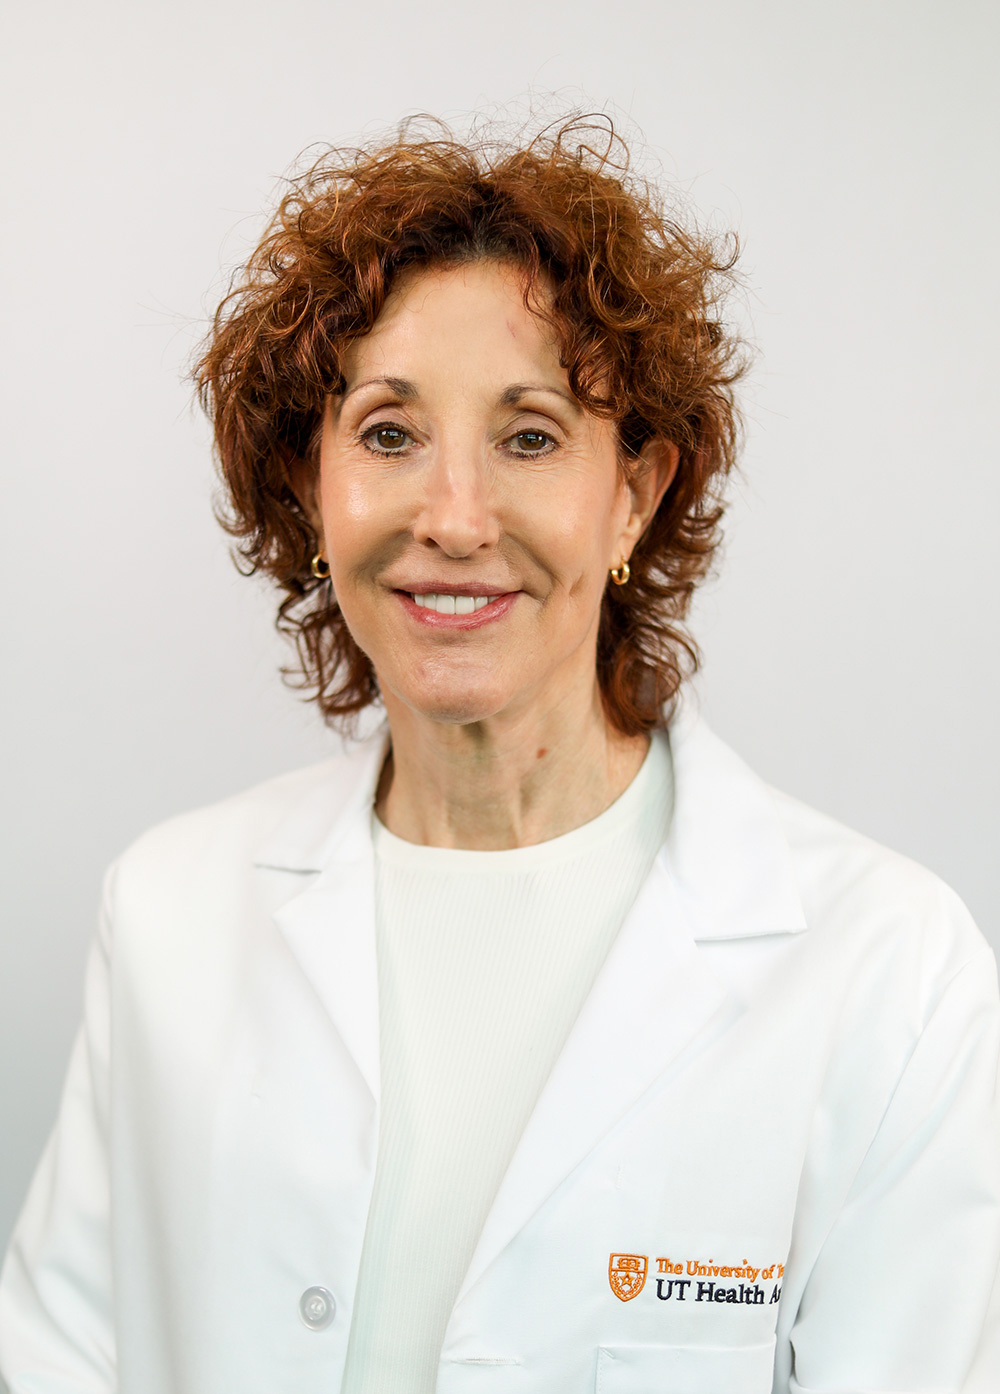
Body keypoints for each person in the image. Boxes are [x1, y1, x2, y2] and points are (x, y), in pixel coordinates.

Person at [0, 116, 997, 1394]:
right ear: (310, 486)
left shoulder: (889, 974)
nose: (455, 518)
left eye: (529, 436)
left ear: (634, 493)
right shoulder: (168, 914)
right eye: (387, 433)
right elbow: (61, 1356)